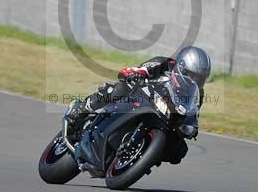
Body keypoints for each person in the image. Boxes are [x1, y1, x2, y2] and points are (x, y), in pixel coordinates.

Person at [65, 46, 212, 142]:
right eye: (193, 76)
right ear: (181, 68)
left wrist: (191, 127)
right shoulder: (164, 64)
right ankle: (82, 108)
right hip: (138, 98)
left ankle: (139, 156)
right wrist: (135, 73)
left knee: (178, 149)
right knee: (121, 88)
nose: (195, 81)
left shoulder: (198, 93)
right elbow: (142, 69)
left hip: (162, 116)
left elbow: (192, 114)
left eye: (200, 78)